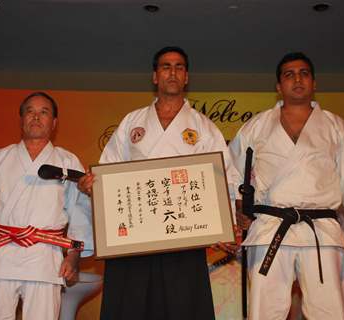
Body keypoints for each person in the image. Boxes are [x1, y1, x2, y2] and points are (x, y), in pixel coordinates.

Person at [78, 46, 239, 320]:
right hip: (134, 241)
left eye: (179, 67)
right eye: (166, 66)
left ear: (186, 76)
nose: (172, 72)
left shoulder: (203, 127)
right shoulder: (133, 122)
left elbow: (225, 178)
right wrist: (93, 185)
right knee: (131, 308)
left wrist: (227, 225)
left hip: (185, 240)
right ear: (155, 76)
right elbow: (109, 168)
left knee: (182, 308)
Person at [229, 52, 344, 319]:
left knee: (329, 313)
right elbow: (233, 176)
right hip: (270, 229)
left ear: (314, 83)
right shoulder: (255, 127)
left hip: (322, 233)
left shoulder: (337, 128)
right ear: (278, 86)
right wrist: (240, 211)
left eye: (304, 73)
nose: (297, 79)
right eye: (289, 74)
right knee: (263, 313)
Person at [0, 92, 93, 320]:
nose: (36, 117)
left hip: (45, 259)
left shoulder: (68, 162)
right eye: (30, 111)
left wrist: (74, 255)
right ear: (21, 120)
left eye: (44, 112)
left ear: (54, 123)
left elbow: (80, 212)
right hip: (2, 255)